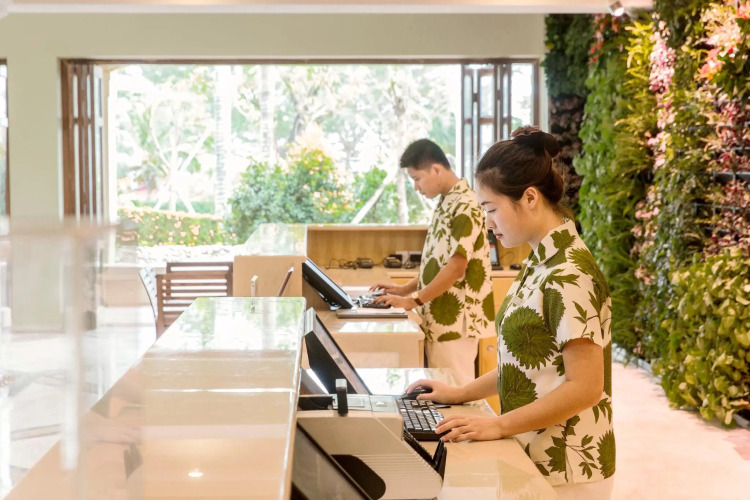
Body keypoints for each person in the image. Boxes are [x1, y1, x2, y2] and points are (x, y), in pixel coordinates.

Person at [405, 127, 615, 499]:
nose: (487, 223)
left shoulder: (570, 273)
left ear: (529, 198)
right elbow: (524, 364)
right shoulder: (540, 260)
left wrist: (498, 425)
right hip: (533, 450)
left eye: (491, 209)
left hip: (568, 467)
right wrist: (460, 392)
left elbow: (585, 387)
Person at [371, 139, 495, 385]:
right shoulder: (447, 200)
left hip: (455, 321)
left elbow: (456, 268)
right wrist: (403, 290)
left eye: (417, 178)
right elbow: (437, 264)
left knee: (456, 391)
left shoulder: (465, 204)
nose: (416, 187)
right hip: (439, 316)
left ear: (436, 169)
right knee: (442, 390)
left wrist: (413, 300)